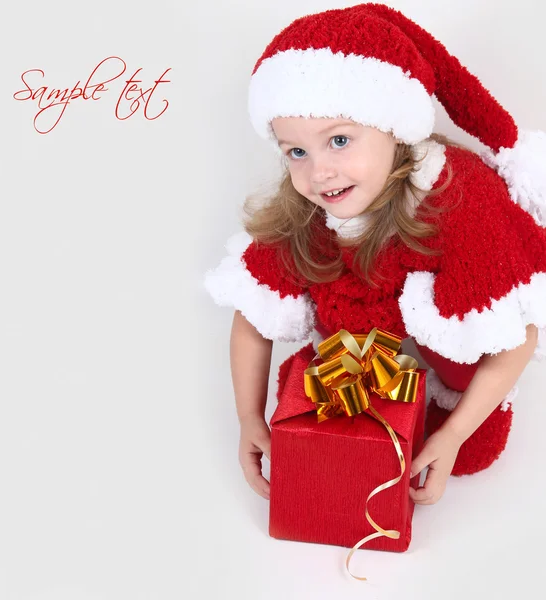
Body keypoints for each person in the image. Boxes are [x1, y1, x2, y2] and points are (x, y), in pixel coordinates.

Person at [204, 3, 546, 506]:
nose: (318, 172)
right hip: (371, 331)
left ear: (394, 128)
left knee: (472, 448)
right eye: (296, 151)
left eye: (339, 140)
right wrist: (248, 418)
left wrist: (450, 438)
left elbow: (516, 337)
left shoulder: (459, 198)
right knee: (315, 412)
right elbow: (252, 318)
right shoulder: (307, 205)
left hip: (450, 323)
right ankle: (369, 384)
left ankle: (443, 402)